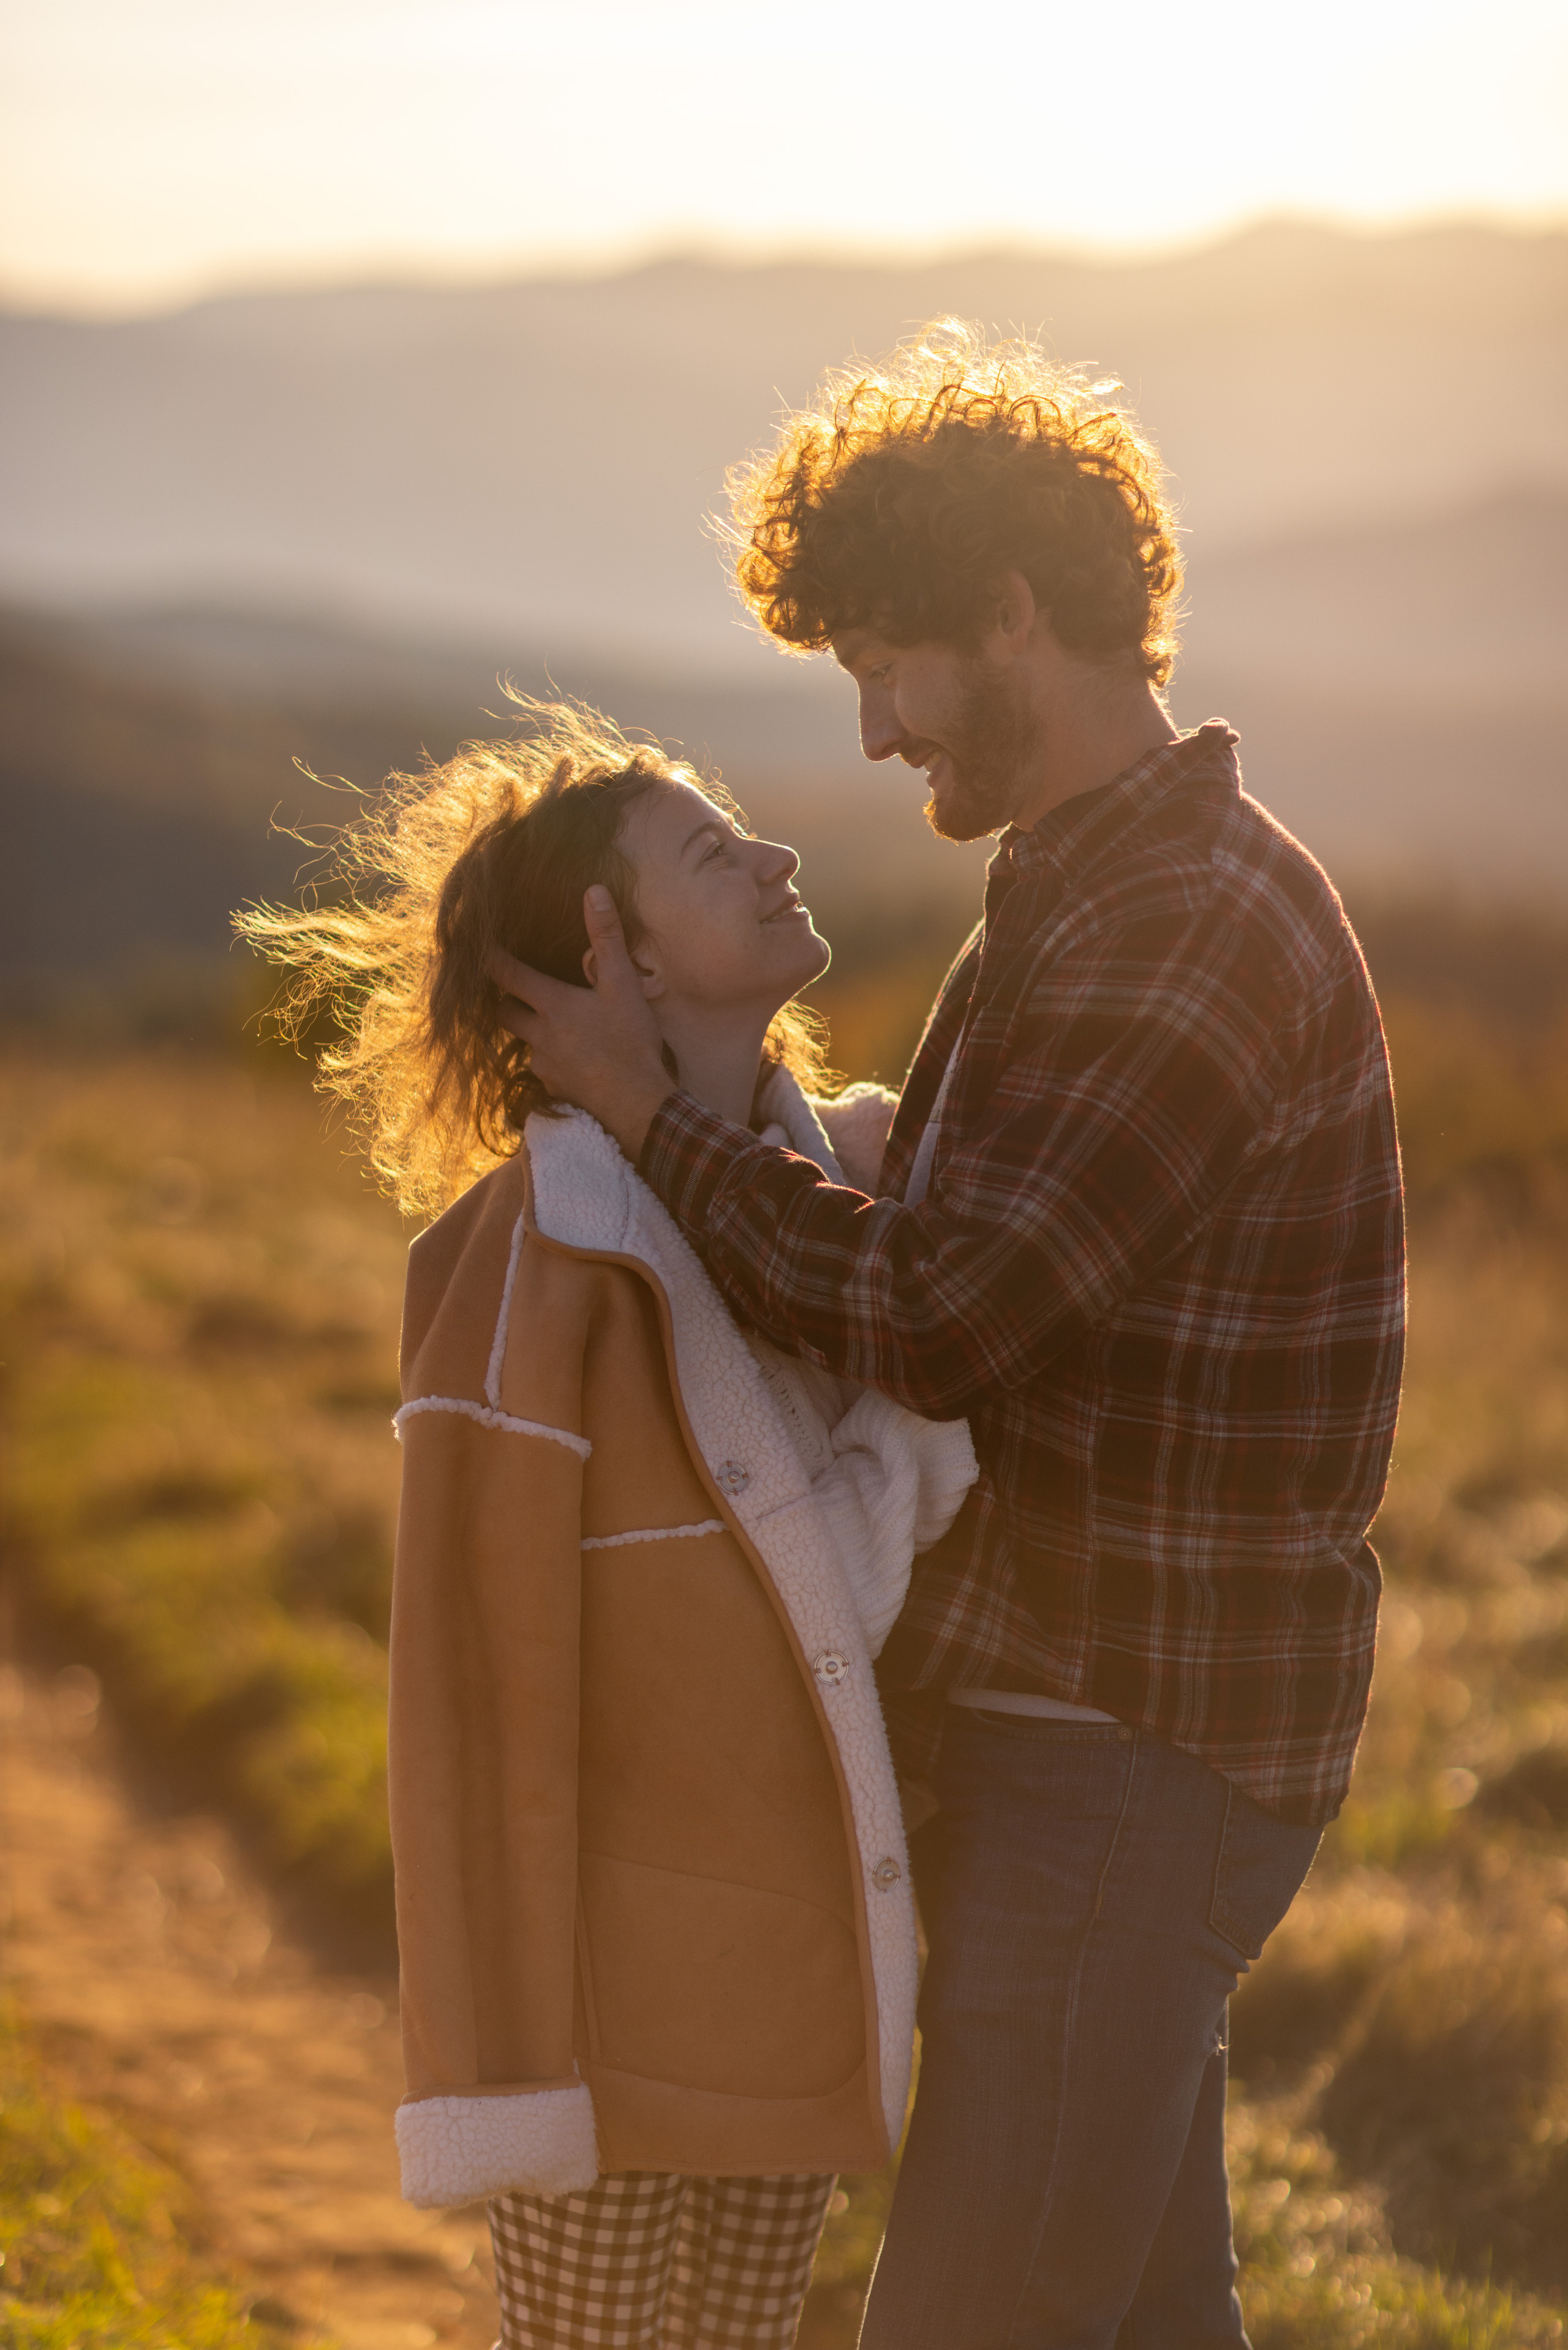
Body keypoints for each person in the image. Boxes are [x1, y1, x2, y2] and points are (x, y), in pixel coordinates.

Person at [489, 328, 1408, 2348]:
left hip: (1129, 1745)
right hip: (1086, 1736)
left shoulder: (1182, 920)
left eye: (888, 664)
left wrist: (649, 1122)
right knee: (1151, 2321)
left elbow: (942, 1312)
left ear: (1013, 611)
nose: (884, 730)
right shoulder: (1079, 896)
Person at [239, 707, 976, 2349]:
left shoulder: (859, 1186)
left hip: (798, 1961)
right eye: (715, 853)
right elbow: (474, 1708)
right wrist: (511, 2063)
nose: (777, 851)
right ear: (609, 951)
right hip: (612, 1998)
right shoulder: (525, 1266)